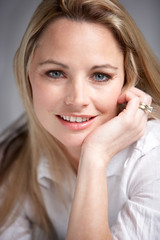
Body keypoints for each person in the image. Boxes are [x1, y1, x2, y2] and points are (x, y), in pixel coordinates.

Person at [0, 0, 160, 239]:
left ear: (128, 80)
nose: (77, 99)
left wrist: (95, 156)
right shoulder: (13, 157)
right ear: (28, 75)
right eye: (56, 73)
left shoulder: (153, 158)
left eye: (100, 75)